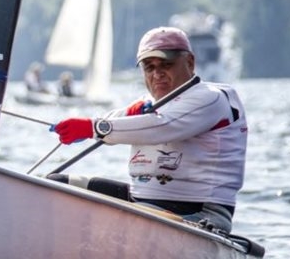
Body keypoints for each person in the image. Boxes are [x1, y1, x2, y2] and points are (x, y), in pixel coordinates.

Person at [47, 26, 248, 234]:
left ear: (190, 62)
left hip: (200, 213)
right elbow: (117, 122)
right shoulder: (148, 103)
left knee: (136, 214)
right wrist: (87, 127)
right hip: (142, 202)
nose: (157, 74)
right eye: (149, 67)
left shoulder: (210, 98)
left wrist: (92, 127)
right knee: (55, 185)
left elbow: (162, 127)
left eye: (166, 65)